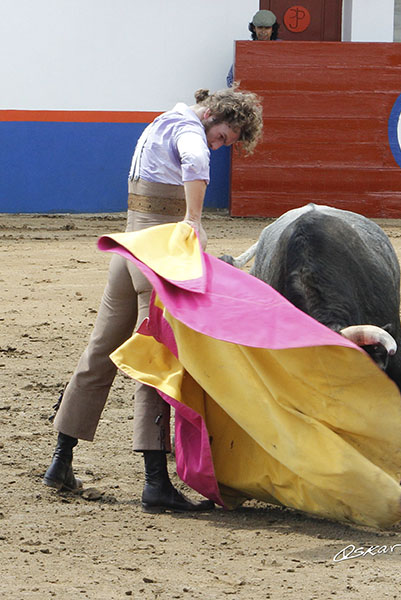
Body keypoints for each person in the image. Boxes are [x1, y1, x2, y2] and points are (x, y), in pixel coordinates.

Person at [43, 85, 263, 513]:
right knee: (156, 356)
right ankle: (155, 483)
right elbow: (195, 161)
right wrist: (194, 220)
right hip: (156, 253)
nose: (218, 146)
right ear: (213, 114)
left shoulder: (163, 120)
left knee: (101, 348)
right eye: (222, 137)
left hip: (128, 245)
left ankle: (61, 460)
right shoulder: (190, 131)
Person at [227, 9, 280, 87]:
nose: (263, 31)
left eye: (267, 28)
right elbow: (231, 79)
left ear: (273, 29)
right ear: (254, 28)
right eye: (260, 27)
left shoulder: (282, 47)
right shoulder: (246, 49)